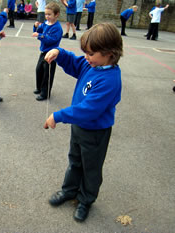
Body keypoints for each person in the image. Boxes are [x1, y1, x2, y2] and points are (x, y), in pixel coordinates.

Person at [44, 22, 123, 222]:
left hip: (96, 132)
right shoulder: (91, 64)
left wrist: (58, 116)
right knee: (75, 160)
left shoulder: (110, 80)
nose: (86, 57)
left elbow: (88, 110)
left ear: (109, 53)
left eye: (90, 53)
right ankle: (69, 190)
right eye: (85, 52)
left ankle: (86, 199)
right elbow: (75, 63)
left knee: (91, 168)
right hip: (79, 127)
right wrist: (59, 53)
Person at [32, 2, 63, 101]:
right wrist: (35, 26)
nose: (47, 16)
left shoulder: (57, 28)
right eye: (46, 14)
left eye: (49, 14)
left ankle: (45, 93)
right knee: (39, 70)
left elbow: (52, 40)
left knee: (47, 74)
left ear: (56, 14)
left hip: (51, 53)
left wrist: (40, 36)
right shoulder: (45, 23)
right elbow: (38, 30)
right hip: (43, 52)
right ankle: (39, 88)